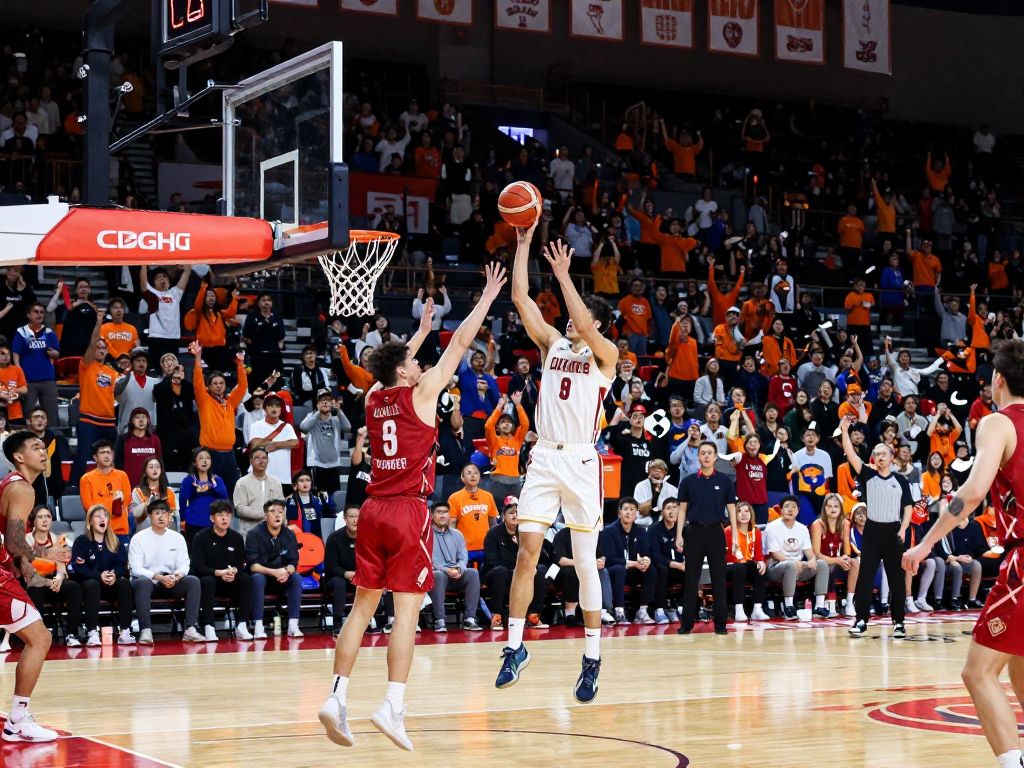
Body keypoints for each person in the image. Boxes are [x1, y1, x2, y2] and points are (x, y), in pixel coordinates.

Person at [318, 263, 506, 752]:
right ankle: (392, 705)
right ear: (405, 372)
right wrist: (487, 298)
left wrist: (420, 332)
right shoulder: (422, 395)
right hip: (407, 511)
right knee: (406, 612)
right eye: (414, 362)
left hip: (371, 509)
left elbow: (391, 366)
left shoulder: (373, 397)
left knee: (362, 607)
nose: (421, 366)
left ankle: (337, 697)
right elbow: (460, 343)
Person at [492, 225, 616, 705]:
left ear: (597, 325)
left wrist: (566, 276)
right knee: (527, 554)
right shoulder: (551, 345)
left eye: (580, 319)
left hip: (582, 461)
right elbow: (520, 298)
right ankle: (514, 647)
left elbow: (584, 322)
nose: (569, 322)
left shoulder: (606, 357)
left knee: (585, 564)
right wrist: (523, 246)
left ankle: (592, 659)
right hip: (544, 457)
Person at [904, 340, 1024, 768]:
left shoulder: (998, 422)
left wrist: (926, 542)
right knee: (1019, 666)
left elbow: (972, 493)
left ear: (997, 379)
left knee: (978, 672)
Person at [0, 431, 58, 741]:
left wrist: (22, 563)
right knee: (40, 638)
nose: (43, 451)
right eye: (35, 447)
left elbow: (7, 540)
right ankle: (17, 720)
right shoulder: (23, 488)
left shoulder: (12, 485)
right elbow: (13, 540)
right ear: (19, 457)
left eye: (43, 447)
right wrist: (46, 555)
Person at [841, 417, 914, 638]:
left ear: (892, 457)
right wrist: (844, 430)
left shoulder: (901, 480)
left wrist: (903, 529)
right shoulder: (868, 474)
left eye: (884, 453)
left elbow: (908, 507)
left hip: (893, 532)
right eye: (876, 453)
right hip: (872, 532)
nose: (880, 457)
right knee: (865, 577)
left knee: (896, 579)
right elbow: (851, 454)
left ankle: (898, 622)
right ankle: (861, 620)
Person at [675, 441, 739, 635]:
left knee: (719, 579)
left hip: (716, 532)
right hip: (694, 532)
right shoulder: (688, 481)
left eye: (710, 453)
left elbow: (732, 510)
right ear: (698, 456)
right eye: (703, 453)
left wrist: (734, 536)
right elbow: (682, 510)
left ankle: (721, 625)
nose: (706, 456)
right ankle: (687, 624)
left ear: (716, 456)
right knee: (691, 579)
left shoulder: (725, 481)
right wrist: (679, 534)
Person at [128, 499, 204, 646]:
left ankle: (190, 628)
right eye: (157, 513)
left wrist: (177, 576)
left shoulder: (177, 537)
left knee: (193, 581)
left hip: (171, 580)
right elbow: (136, 568)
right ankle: (146, 630)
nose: (161, 517)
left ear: (169, 516)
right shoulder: (138, 538)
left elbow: (184, 564)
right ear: (149, 516)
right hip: (149, 581)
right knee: (142, 582)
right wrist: (158, 577)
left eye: (165, 513)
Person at [70, 504, 134, 645]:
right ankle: (92, 632)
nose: (102, 519)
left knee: (124, 584)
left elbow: (122, 566)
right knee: (92, 585)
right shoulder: (81, 541)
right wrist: (99, 576)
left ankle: (125, 630)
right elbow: (79, 568)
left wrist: (114, 574)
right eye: (98, 516)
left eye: (105, 516)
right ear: (90, 521)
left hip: (111, 584)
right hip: (90, 584)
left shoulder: (115, 541)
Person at [191, 500, 253, 641]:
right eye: (220, 515)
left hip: (230, 579)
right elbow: (198, 566)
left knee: (246, 580)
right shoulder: (201, 537)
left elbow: (240, 563)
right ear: (212, 518)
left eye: (227, 515)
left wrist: (234, 571)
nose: (224, 518)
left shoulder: (236, 537)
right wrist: (220, 573)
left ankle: (242, 625)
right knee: (207, 581)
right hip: (210, 578)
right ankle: (209, 626)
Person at [21, 505, 82, 646]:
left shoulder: (56, 539)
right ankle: (38, 637)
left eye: (48, 517)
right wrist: (47, 581)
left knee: (73, 587)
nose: (45, 520)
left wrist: (60, 577)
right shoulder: (26, 539)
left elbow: (61, 564)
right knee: (36, 588)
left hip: (53, 581)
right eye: (40, 517)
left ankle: (72, 634)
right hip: (34, 582)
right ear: (33, 521)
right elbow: (28, 569)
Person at [191, 344, 248, 492]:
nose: (218, 386)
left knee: (231, 490)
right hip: (210, 453)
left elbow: (242, 387)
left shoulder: (230, 402)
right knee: (210, 491)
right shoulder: (204, 401)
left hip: (229, 454)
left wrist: (240, 365)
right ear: (209, 387)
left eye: (221, 383)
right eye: (215, 383)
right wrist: (198, 358)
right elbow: (198, 383)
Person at [763, 495, 830, 619]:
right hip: (776, 568)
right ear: (781, 510)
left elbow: (809, 551)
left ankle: (819, 606)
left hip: (798, 567)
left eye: (793, 507)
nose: (790, 509)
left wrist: (812, 559)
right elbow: (775, 554)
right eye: (787, 506)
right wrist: (793, 562)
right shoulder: (772, 527)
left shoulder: (802, 528)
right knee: (791, 565)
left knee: (822, 564)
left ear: (798, 510)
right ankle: (789, 606)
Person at [245, 498, 302, 639]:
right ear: (265, 515)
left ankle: (293, 625)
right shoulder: (254, 534)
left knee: (296, 578)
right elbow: (253, 565)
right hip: (262, 577)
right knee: (257, 578)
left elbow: (293, 562)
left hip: (281, 577)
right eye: (273, 511)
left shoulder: (289, 534)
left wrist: (287, 571)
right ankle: (258, 626)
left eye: (280, 512)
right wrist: (274, 572)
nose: (277, 515)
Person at [72, 311, 118, 484]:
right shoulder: (86, 365)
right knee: (82, 456)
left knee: (112, 457)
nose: (101, 349)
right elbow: (93, 343)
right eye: (98, 347)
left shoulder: (113, 372)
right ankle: (75, 486)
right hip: (88, 420)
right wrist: (99, 322)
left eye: (104, 347)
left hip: (109, 422)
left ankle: (112, 485)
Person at [428, 502, 483, 632]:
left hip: (456, 574)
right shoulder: (427, 535)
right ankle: (440, 620)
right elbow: (429, 560)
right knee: (438, 575)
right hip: (438, 575)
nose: (443, 515)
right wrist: (447, 570)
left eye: (445, 512)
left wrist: (459, 569)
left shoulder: (457, 534)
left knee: (473, 573)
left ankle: (469, 619)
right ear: (432, 515)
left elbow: (463, 557)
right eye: (439, 512)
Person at [602, 497, 658, 624]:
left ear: (637, 513)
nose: (629, 512)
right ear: (619, 512)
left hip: (633, 570)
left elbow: (646, 553)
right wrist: (632, 563)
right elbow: (608, 559)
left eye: (632, 509)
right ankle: (619, 611)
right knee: (619, 569)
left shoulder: (641, 531)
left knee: (651, 571)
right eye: (625, 509)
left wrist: (646, 560)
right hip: (614, 571)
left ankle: (642, 611)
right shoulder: (609, 531)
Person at [12, 302, 59, 426]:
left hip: (48, 380)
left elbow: (57, 354)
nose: (39, 314)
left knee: (51, 415)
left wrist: (53, 353)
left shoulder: (48, 332)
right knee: (29, 414)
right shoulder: (21, 332)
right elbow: (16, 353)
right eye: (36, 312)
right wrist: (19, 373)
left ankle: (51, 437)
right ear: (28, 314)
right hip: (28, 381)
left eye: (42, 312)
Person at [79, 440, 133, 538]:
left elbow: (127, 501)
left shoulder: (122, 476)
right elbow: (89, 507)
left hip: (120, 530)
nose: (106, 455)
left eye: (109, 452)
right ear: (95, 457)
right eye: (102, 452)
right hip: (99, 531)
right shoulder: (86, 479)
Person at [139, 265, 191, 366]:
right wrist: (144, 264)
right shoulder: (151, 293)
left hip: (173, 337)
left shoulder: (175, 292)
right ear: (154, 283)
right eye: (158, 277)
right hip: (156, 336)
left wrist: (186, 263)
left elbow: (187, 273)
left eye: (164, 276)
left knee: (172, 368)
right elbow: (143, 280)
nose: (162, 279)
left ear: (169, 282)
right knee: (156, 367)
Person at [725, 500, 768, 622]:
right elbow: (732, 556)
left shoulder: (756, 531)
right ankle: (739, 609)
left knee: (760, 568)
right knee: (740, 567)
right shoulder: (729, 530)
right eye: (739, 511)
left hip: (747, 565)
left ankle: (757, 609)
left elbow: (758, 555)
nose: (743, 514)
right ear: (735, 515)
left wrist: (760, 562)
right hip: (731, 566)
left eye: (746, 511)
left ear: (751, 514)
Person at [247, 393, 299, 493]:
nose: (274, 408)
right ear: (265, 408)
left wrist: (276, 445)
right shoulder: (256, 426)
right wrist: (285, 443)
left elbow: (295, 443)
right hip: (261, 476)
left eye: (277, 406)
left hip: (283, 477)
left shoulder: (287, 427)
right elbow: (254, 445)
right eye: (271, 405)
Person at [299, 389, 348, 496]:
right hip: (316, 464)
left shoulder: (336, 419)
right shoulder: (311, 416)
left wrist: (339, 411)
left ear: (332, 403)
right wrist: (318, 412)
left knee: (333, 497)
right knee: (318, 496)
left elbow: (347, 428)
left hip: (334, 464)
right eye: (322, 400)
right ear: (317, 404)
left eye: (328, 400)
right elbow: (303, 428)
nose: (325, 402)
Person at [447, 464, 499, 564]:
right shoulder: (454, 498)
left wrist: (495, 543)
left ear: (480, 477)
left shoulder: (488, 496)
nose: (473, 476)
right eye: (469, 473)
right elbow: (451, 524)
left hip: (486, 547)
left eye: (476, 473)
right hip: (464, 548)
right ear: (462, 477)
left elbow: (493, 521)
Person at [179, 447, 229, 546]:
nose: (205, 460)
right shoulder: (189, 480)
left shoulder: (217, 479)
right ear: (195, 463)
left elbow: (224, 496)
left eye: (208, 458)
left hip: (214, 523)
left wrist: (213, 486)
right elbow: (182, 500)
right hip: (194, 522)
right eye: (201, 458)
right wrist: (183, 519)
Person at [323, 506, 360, 636]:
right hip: (336, 578)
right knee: (339, 582)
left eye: (358, 517)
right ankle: (338, 622)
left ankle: (366, 620)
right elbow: (331, 566)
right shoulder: (334, 538)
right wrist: (346, 573)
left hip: (358, 577)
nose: (355, 520)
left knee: (370, 580)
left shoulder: (367, 537)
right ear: (345, 519)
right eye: (351, 516)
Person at [233, 447, 284, 538]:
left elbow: (282, 505)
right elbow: (239, 508)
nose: (261, 461)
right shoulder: (242, 482)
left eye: (264, 458)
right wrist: (262, 514)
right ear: (251, 461)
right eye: (257, 458)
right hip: (250, 532)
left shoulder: (275, 481)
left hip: (273, 533)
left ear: (268, 461)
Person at [115, 408, 162, 492]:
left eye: (143, 417)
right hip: (129, 487)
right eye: (137, 417)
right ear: (132, 421)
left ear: (148, 420)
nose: (141, 420)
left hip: (151, 488)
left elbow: (160, 463)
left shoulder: (155, 440)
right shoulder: (124, 439)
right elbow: (117, 465)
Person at [130, 457, 178, 532]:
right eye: (151, 467)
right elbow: (135, 517)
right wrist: (147, 503)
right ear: (145, 472)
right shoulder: (137, 492)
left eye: (157, 467)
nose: (155, 469)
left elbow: (175, 516)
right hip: (144, 534)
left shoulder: (169, 491)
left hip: (166, 534)